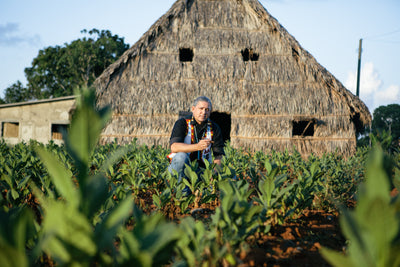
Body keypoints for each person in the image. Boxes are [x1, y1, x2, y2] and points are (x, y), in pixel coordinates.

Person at [168, 96, 225, 187]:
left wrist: (213, 173)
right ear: (193, 109)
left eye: (207, 109)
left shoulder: (214, 128)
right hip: (179, 169)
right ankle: (181, 192)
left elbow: (219, 155)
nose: (204, 112)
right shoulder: (182, 123)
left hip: (201, 171)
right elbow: (174, 147)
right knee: (181, 157)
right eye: (201, 109)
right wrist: (197, 147)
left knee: (231, 175)